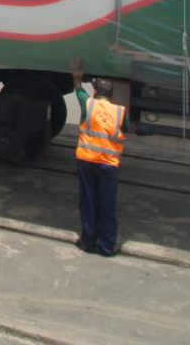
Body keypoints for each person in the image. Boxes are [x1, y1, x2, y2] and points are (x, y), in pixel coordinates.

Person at [72, 75, 127, 257]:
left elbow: (78, 90)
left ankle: (87, 242)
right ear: (112, 95)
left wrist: (77, 76)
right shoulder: (119, 111)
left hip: (86, 160)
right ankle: (107, 247)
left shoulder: (88, 104)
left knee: (88, 201)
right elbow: (126, 128)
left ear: (95, 92)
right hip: (108, 165)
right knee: (108, 205)